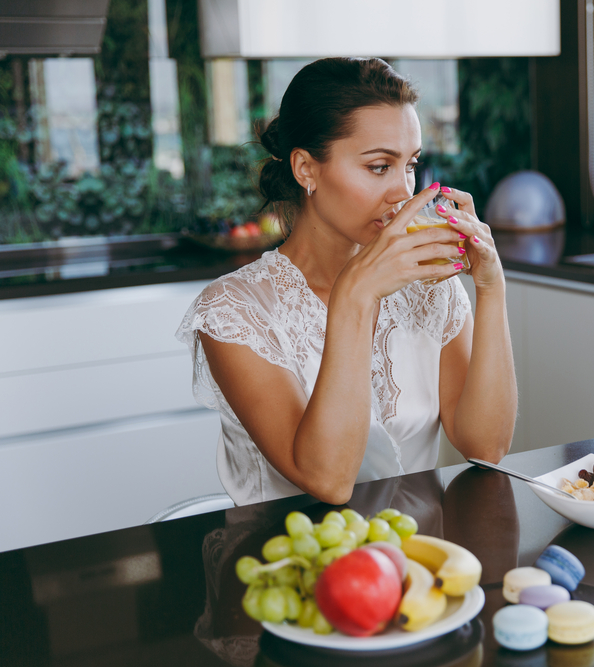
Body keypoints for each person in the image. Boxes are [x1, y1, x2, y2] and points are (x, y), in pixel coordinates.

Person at [177, 58, 517, 506]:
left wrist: (492, 289)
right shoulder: (233, 312)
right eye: (379, 167)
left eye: (410, 165)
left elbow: (485, 447)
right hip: (289, 563)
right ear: (306, 170)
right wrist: (356, 295)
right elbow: (329, 480)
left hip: (418, 562)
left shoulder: (428, 286)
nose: (403, 192)